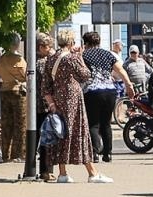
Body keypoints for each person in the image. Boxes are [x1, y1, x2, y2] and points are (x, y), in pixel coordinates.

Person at [41, 28, 108, 183]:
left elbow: (45, 86)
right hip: (73, 100)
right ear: (71, 42)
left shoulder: (51, 59)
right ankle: (92, 173)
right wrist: (80, 57)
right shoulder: (72, 58)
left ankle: (62, 173)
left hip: (57, 100)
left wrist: (52, 104)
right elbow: (86, 75)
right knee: (79, 133)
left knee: (61, 133)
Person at [80, 30, 136, 164]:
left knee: (93, 123)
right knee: (106, 123)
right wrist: (128, 85)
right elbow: (120, 70)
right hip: (109, 91)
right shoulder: (108, 54)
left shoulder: (83, 55)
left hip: (92, 91)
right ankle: (108, 153)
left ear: (86, 43)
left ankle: (95, 153)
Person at [0, 38, 28, 163]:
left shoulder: (2, 59)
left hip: (4, 90)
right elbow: (26, 75)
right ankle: (19, 153)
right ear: (17, 44)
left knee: (6, 124)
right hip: (18, 91)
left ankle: (6, 153)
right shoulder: (19, 59)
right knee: (20, 124)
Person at [32, 33, 56, 181]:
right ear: (41, 47)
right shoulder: (43, 62)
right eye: (48, 46)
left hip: (36, 105)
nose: (51, 49)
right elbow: (49, 82)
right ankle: (46, 171)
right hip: (45, 105)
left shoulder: (33, 60)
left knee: (35, 138)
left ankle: (33, 169)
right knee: (47, 138)